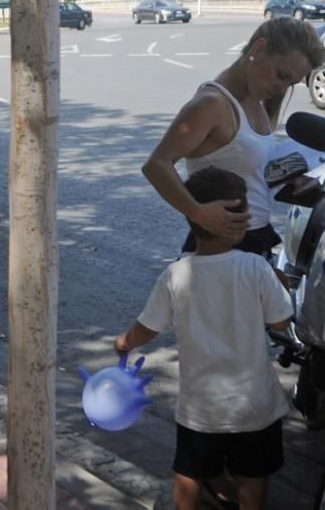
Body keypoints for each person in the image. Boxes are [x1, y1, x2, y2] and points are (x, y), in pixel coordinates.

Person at [115, 166, 294, 510]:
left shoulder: (176, 274)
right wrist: (279, 283)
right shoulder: (256, 268)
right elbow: (282, 321)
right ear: (237, 221)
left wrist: (124, 344)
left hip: (202, 407)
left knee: (190, 471)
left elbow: (147, 328)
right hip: (253, 404)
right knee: (252, 478)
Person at [143, 17, 325, 257]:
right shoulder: (212, 103)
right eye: (282, 75)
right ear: (258, 49)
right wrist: (198, 212)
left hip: (255, 239)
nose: (282, 89)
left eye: (291, 84)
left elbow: (246, 171)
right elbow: (156, 165)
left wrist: (289, 181)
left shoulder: (256, 100)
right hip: (219, 248)